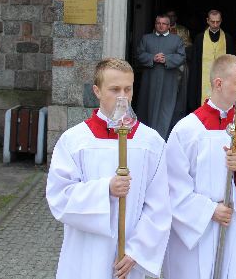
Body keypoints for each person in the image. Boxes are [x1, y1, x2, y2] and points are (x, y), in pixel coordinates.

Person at [46, 58, 171, 279]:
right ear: (97, 91)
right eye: (114, 89)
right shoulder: (75, 140)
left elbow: (159, 205)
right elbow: (59, 196)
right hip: (86, 254)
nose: (122, 97)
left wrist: (137, 251)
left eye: (128, 89)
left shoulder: (150, 142)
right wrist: (106, 190)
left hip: (129, 257)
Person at [163, 54, 236, 279]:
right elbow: (171, 185)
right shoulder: (187, 130)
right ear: (218, 83)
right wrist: (209, 210)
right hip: (197, 229)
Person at [135, 14, 186, 139]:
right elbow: (139, 54)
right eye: (158, 23)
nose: (161, 25)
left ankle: (164, 136)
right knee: (147, 107)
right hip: (150, 80)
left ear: (169, 26)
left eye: (164, 23)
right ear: (155, 24)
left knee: (166, 108)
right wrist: (152, 58)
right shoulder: (146, 39)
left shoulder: (176, 40)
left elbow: (181, 56)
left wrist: (166, 59)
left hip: (169, 80)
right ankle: (146, 136)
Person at [188, 9, 236, 111]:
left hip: (223, 79)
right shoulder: (199, 39)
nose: (215, 24)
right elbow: (195, 65)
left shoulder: (228, 39)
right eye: (212, 21)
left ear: (221, 21)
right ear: (207, 21)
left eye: (217, 22)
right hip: (202, 81)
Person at [167, 9, 192, 125]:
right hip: (165, 67)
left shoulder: (183, 30)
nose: (171, 19)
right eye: (169, 16)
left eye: (173, 16)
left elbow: (188, 48)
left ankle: (178, 118)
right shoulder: (161, 28)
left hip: (180, 67)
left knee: (180, 95)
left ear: (176, 18)